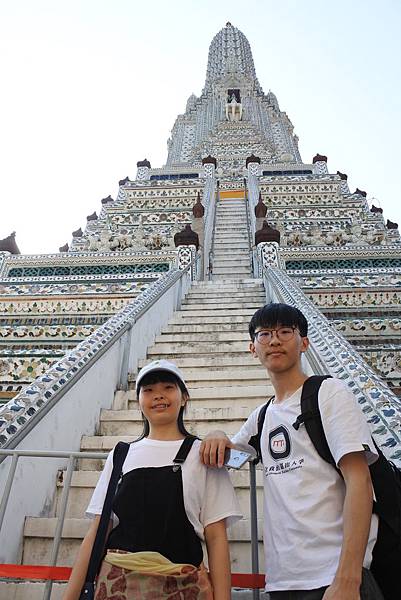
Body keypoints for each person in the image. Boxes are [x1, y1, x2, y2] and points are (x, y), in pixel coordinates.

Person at [200, 303, 384, 600]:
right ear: (252, 348)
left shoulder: (329, 393)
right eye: (265, 334)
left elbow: (360, 481)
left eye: (286, 331)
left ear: (304, 343)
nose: (274, 340)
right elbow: (231, 454)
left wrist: (348, 579)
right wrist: (217, 434)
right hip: (283, 581)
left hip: (333, 576)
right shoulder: (262, 417)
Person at [63, 359, 241, 600]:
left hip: (184, 586)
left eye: (168, 387)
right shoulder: (121, 454)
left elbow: (216, 536)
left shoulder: (203, 454)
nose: (158, 396)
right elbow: (99, 529)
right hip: (117, 585)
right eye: (148, 390)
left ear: (184, 396)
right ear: (139, 401)